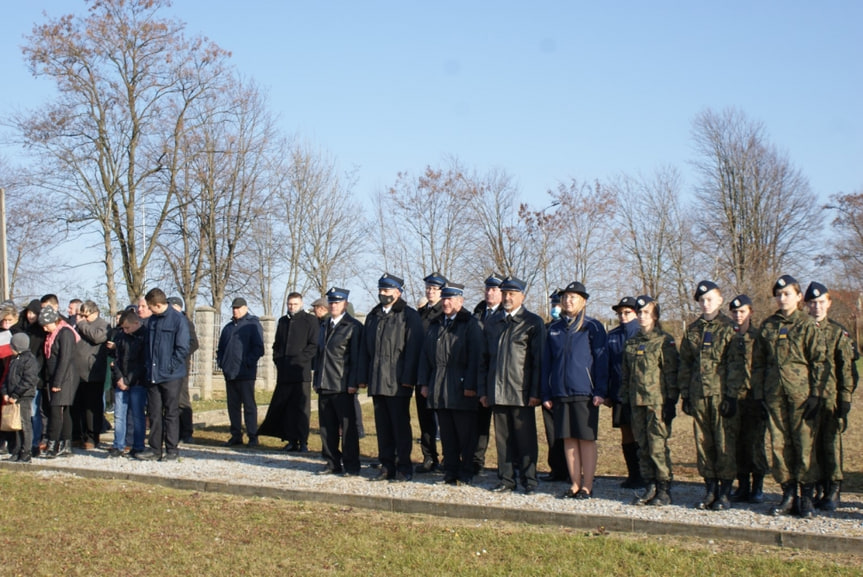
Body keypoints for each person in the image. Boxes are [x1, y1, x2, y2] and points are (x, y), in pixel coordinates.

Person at [751, 275, 825, 519]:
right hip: (774, 396)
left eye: (787, 294)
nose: (782, 299)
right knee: (779, 446)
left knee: (804, 446)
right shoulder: (768, 326)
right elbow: (759, 363)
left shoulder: (806, 325)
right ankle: (788, 494)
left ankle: (806, 497)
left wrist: (817, 394)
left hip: (801, 396)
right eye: (779, 295)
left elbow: (819, 362)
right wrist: (760, 395)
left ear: (798, 297)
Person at [479, 276, 545, 495]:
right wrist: (484, 390)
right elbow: (484, 360)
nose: (507, 297)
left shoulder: (532, 323)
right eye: (505, 293)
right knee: (502, 440)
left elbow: (538, 362)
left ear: (522, 296)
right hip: (497, 391)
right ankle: (506, 479)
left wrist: (535, 392)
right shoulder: (492, 322)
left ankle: (529, 480)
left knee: (525, 440)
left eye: (512, 294)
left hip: (521, 391)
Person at [541, 282, 608, 499]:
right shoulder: (554, 329)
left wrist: (600, 389)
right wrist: (547, 393)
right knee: (568, 439)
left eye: (573, 297)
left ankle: (588, 484)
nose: (568, 301)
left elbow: (601, 361)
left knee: (585, 438)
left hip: (584, 391)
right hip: (560, 392)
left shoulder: (593, 327)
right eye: (565, 297)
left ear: (583, 301)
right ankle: (574, 483)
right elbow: (546, 363)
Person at [677, 281, 738, 510]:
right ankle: (710, 489)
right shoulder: (692, 330)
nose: (705, 303)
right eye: (702, 300)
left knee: (723, 443)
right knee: (704, 444)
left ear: (720, 300)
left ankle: (725, 491)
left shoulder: (729, 329)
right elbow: (685, 364)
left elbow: (735, 366)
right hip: (699, 395)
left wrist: (732, 396)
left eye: (710, 299)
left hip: (721, 395)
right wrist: (686, 395)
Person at [359, 273, 423, 482]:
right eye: (381, 290)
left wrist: (408, 378)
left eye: (387, 290)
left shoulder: (408, 315)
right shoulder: (374, 315)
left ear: (398, 292)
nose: (382, 294)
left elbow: (413, 349)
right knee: (383, 427)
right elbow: (365, 350)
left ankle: (404, 467)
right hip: (378, 380)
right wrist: (364, 376)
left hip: (397, 381)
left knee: (400, 426)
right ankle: (386, 465)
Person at [418, 283, 483, 486]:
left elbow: (477, 357)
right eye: (444, 298)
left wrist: (471, 384)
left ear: (460, 301)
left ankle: (466, 471)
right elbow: (425, 356)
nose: (446, 303)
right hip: (440, 384)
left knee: (465, 434)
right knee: (447, 434)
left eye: (451, 299)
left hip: (462, 385)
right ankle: (450, 471)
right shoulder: (437, 324)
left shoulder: (470, 324)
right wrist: (424, 382)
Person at [804, 282, 857, 511]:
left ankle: (833, 490)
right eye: (813, 303)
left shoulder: (838, 332)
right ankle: (815, 488)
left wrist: (845, 399)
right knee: (811, 445)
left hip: (831, 399)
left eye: (821, 302)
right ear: (806, 305)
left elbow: (847, 370)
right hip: (807, 399)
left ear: (829, 303)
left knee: (831, 445)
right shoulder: (802, 330)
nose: (817, 307)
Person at [622, 296, 679, 506]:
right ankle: (650, 485)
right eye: (639, 312)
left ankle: (664, 487)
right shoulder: (632, 343)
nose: (642, 316)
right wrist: (625, 401)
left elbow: (671, 373)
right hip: (637, 403)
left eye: (646, 312)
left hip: (657, 402)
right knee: (642, 446)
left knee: (657, 446)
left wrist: (671, 402)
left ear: (655, 315)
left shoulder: (664, 341)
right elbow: (626, 376)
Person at [135, 288, 191, 461]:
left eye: (151, 308)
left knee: (171, 413)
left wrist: (170, 367)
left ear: (158, 305)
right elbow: (147, 346)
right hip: (153, 375)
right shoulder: (152, 321)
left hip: (171, 376)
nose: (149, 311)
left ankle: (172, 449)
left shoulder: (178, 320)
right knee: (154, 413)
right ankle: (155, 449)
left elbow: (182, 348)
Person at [313, 287, 363, 476]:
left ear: (345, 304)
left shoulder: (353, 326)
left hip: (342, 384)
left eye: (337, 302)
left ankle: (351, 465)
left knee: (348, 429)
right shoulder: (325, 325)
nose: (333, 305)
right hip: (325, 383)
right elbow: (320, 355)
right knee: (327, 427)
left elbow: (356, 358)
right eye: (331, 302)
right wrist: (317, 379)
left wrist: (353, 383)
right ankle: (332, 462)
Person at [260, 292, 318, 451]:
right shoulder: (283, 321)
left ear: (301, 304)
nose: (292, 307)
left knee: (301, 409)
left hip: (301, 373)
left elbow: (313, 345)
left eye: (295, 304)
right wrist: (278, 359)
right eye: (290, 304)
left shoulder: (310, 320)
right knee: (287, 408)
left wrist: (299, 360)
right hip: (284, 372)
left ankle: (303, 441)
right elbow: (277, 344)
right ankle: (291, 440)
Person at [726, 295, 768, 503]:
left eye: (742, 311)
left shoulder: (759, 337)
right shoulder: (728, 337)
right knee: (738, 444)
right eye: (734, 312)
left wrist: (763, 398)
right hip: (735, 398)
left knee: (755, 444)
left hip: (754, 398)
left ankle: (757, 486)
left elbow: (765, 367)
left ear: (750, 312)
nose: (738, 315)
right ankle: (742, 485)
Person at [217, 297, 265, 447]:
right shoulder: (228, 328)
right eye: (233, 308)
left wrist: (247, 363)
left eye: (238, 308)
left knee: (249, 406)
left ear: (245, 308)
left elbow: (258, 348)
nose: (235, 310)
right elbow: (221, 349)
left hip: (245, 373)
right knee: (233, 406)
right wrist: (222, 363)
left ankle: (252, 436)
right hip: (230, 373)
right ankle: (236, 435)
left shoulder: (252, 325)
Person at [606, 296, 642, 488]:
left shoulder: (642, 333)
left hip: (639, 394)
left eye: (627, 312)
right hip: (619, 393)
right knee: (626, 434)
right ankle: (633, 474)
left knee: (640, 434)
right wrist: (606, 392)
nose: (623, 316)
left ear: (636, 313)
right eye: (619, 313)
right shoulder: (612, 335)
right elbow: (607, 365)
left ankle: (645, 474)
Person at [471, 273, 505, 475]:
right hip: (480, 375)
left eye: (494, 289)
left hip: (499, 376)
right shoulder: (478, 312)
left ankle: (507, 464)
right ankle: (477, 460)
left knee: (503, 426)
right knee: (478, 424)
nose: (489, 292)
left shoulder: (505, 313)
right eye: (487, 289)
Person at [415, 271, 447, 474]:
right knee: (424, 419)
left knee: (444, 419)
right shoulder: (419, 314)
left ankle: (449, 457)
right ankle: (429, 457)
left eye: (434, 289)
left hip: (441, 374)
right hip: (422, 373)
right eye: (428, 288)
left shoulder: (444, 313)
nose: (430, 292)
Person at [38, 306, 80, 459]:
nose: (44, 328)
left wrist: (57, 382)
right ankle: (66, 444)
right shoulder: (52, 334)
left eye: (46, 324)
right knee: (64, 412)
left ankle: (52, 444)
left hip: (65, 377)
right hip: (55, 376)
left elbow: (65, 359)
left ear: (54, 321)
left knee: (56, 412)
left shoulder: (65, 333)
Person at [108, 308, 149, 458]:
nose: (125, 330)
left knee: (137, 415)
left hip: (137, 381)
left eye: (127, 327)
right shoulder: (121, 336)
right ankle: (118, 444)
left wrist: (128, 380)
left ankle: (138, 446)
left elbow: (143, 362)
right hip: (121, 380)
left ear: (136, 323)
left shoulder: (145, 336)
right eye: (123, 328)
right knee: (119, 414)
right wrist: (119, 378)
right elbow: (117, 359)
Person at [72, 300, 109, 449]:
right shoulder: (79, 325)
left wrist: (82, 325)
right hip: (77, 373)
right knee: (77, 407)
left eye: (86, 315)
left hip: (93, 374)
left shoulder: (103, 325)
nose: (83, 318)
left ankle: (92, 437)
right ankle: (78, 436)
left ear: (95, 312)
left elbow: (97, 337)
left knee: (91, 408)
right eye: (81, 315)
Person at [540, 288, 568, 484]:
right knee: (551, 433)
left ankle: (570, 470)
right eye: (553, 305)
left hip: (567, 389)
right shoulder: (548, 328)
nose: (555, 309)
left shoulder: (574, 327)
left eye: (558, 304)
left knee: (568, 433)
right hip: (550, 388)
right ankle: (556, 468)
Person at [1, 333, 39, 462]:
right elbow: (7, 378)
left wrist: (16, 394)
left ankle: (26, 452)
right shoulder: (14, 359)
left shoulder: (29, 360)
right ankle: (16, 451)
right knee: (16, 425)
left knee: (24, 424)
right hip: (13, 396)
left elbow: (29, 380)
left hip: (23, 396)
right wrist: (5, 392)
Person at [168, 296, 198, 445]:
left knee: (182, 400)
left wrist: (179, 355)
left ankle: (187, 432)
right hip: (167, 368)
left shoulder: (186, 322)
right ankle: (173, 431)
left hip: (181, 367)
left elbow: (194, 344)